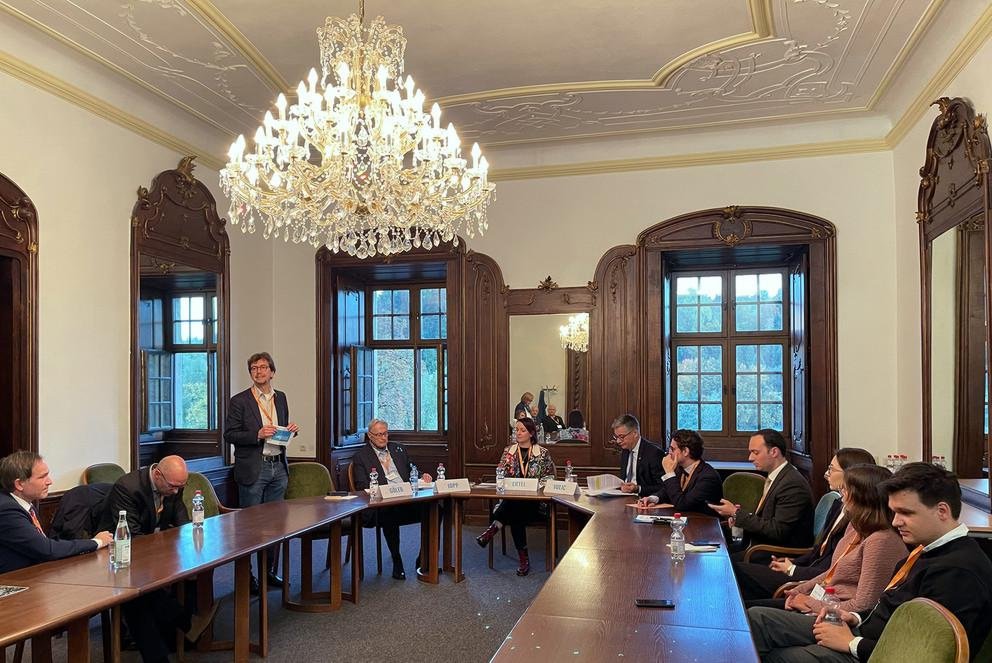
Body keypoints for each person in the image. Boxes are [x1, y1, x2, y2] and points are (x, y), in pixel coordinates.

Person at [749, 462, 992, 662]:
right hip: (862, 631)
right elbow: (885, 610)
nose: (896, 522)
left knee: (779, 656)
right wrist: (853, 617)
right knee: (757, 619)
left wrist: (852, 643)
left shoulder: (958, 571)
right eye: (894, 512)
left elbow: (925, 653)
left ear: (942, 511)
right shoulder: (926, 550)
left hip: (872, 652)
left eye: (906, 513)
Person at [101, 455, 217, 663]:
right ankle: (186, 624)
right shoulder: (127, 487)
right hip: (116, 552)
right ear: (157, 475)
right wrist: (164, 549)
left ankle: (179, 634)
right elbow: (132, 535)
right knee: (137, 596)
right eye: (173, 487)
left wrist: (189, 539)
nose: (175, 492)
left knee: (159, 587)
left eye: (180, 487)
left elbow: (181, 519)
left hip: (149, 551)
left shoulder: (173, 484)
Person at [734, 447, 877, 602]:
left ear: (851, 475)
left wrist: (793, 569)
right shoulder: (837, 504)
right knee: (735, 572)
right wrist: (793, 563)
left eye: (831, 469)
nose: (825, 474)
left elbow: (835, 567)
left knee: (738, 578)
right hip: (807, 570)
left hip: (819, 582)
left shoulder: (858, 518)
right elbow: (818, 550)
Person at [772, 464, 906, 616]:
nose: (842, 496)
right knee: (752, 610)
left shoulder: (881, 541)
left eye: (845, 490)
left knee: (757, 615)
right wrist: (799, 591)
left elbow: (864, 605)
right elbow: (833, 572)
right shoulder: (855, 527)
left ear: (862, 497)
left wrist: (809, 602)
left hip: (838, 618)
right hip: (824, 603)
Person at [224, 352, 299, 591]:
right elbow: (230, 435)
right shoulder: (240, 401)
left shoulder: (282, 398)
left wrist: (290, 432)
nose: (259, 372)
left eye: (263, 367)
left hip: (278, 466)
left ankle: (268, 573)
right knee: (250, 528)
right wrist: (256, 434)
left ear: (272, 372)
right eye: (254, 368)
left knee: (274, 526)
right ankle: (248, 578)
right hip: (253, 470)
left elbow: (280, 432)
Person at [0, 451, 112, 573]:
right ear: (19, 484)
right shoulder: (7, 511)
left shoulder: (24, 504)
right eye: (42, 477)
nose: (49, 481)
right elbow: (47, 550)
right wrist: (96, 542)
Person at [351, 418, 434, 580]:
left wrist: (422, 475)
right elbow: (361, 485)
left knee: (435, 509)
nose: (383, 438)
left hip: (406, 499)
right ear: (370, 436)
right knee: (389, 512)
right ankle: (397, 560)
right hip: (380, 506)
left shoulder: (398, 449)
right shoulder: (361, 456)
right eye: (379, 434)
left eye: (386, 433)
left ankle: (424, 557)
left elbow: (412, 470)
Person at [709, 429, 814, 552]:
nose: (750, 458)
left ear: (774, 452)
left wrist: (736, 513)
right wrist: (738, 518)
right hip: (757, 545)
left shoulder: (792, 484)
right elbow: (766, 521)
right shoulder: (776, 477)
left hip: (777, 554)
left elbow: (777, 531)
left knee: (721, 564)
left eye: (755, 452)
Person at [476, 418, 556, 576]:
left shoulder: (542, 453)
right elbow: (500, 472)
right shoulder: (509, 451)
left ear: (531, 433)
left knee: (514, 510)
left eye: (522, 430)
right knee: (515, 511)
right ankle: (523, 560)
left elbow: (549, 478)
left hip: (535, 503)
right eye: (516, 430)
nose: (518, 433)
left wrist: (536, 488)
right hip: (513, 501)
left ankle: (493, 528)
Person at [636, 429, 722, 515]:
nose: (669, 453)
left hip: (704, 524)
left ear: (685, 451)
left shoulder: (708, 477)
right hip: (686, 521)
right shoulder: (680, 469)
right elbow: (667, 491)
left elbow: (683, 504)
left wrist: (669, 473)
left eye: (672, 449)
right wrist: (653, 498)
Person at [613, 414, 664, 497]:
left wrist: (638, 488)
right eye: (616, 437)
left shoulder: (653, 453)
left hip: (645, 500)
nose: (618, 441)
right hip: (624, 497)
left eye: (621, 437)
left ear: (635, 433)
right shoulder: (625, 451)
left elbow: (663, 487)